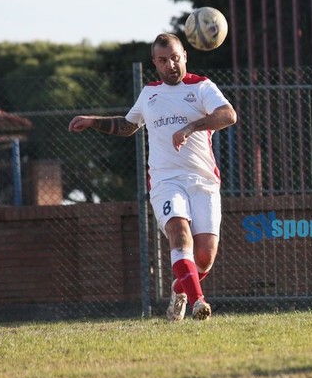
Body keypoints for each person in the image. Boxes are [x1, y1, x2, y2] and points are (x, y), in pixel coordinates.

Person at [68, 33, 237, 320]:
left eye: (174, 57)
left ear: (185, 55)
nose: (170, 64)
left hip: (203, 181)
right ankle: (198, 302)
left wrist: (191, 127)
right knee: (178, 233)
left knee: (205, 256)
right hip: (165, 181)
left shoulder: (201, 87)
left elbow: (228, 115)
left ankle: (180, 288)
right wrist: (94, 121)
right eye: (162, 60)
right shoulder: (149, 93)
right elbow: (128, 125)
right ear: (155, 63)